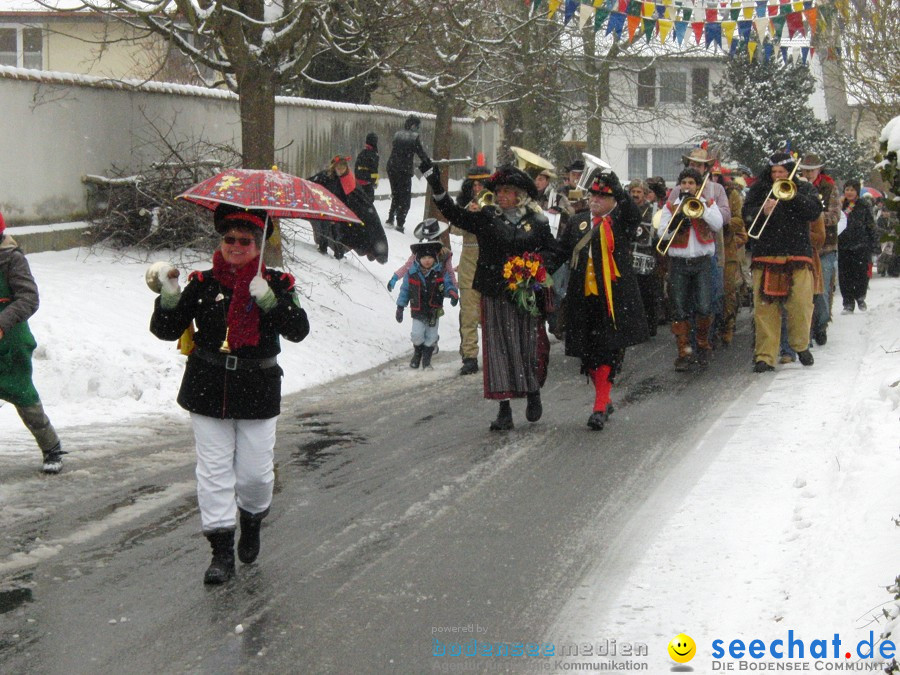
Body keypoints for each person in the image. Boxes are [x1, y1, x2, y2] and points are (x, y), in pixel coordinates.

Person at [149, 205, 310, 585]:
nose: (235, 246)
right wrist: (170, 296)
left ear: (258, 244)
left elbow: (299, 330)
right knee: (214, 472)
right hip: (207, 387)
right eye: (229, 239)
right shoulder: (203, 283)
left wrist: (270, 300)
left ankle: (252, 518)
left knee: (254, 474)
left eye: (245, 240)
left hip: (257, 389)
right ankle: (221, 550)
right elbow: (167, 330)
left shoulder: (279, 282)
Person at [421, 160, 560, 430]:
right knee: (498, 350)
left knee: (528, 346)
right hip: (495, 292)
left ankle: (533, 393)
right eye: (498, 191)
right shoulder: (487, 218)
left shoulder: (537, 222)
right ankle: (504, 408)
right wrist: (435, 183)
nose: (501, 196)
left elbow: (553, 252)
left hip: (526, 294)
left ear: (520, 194)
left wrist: (535, 266)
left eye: (507, 191)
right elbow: (452, 213)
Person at [559, 173, 649, 430]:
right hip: (582, 299)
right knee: (587, 353)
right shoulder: (577, 222)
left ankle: (599, 406)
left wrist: (620, 192)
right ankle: (605, 397)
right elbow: (560, 252)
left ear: (613, 200)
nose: (595, 200)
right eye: (594, 195)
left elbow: (633, 214)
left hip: (613, 299)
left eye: (602, 196)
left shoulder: (620, 220)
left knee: (607, 350)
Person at [741, 152, 823, 372]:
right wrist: (761, 210)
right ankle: (765, 356)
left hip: (797, 254)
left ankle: (801, 345)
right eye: (774, 172)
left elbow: (815, 211)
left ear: (790, 173)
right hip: (766, 254)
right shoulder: (759, 189)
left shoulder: (804, 188)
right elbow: (746, 215)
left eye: (781, 172)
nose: (777, 176)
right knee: (765, 309)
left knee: (801, 304)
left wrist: (792, 196)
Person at [0, 211, 65, 474]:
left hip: (11, 342)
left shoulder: (12, 259)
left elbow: (29, 298)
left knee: (25, 399)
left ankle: (52, 448)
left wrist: (2, 323)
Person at [657, 167, 724, 370]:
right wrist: (677, 221)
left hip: (702, 262)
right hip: (679, 263)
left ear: (697, 186)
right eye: (684, 183)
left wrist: (701, 209)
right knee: (679, 309)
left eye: (691, 183)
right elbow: (662, 235)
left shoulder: (707, 203)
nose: (687, 186)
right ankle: (683, 352)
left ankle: (702, 345)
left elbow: (718, 224)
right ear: (679, 185)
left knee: (704, 306)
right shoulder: (671, 206)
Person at [450, 166, 491, 375]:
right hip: (468, 268)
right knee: (468, 315)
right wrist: (468, 214)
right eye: (474, 184)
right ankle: (470, 357)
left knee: (492, 313)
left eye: (481, 183)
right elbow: (454, 229)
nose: (477, 187)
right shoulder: (465, 206)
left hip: (491, 265)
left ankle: (494, 353)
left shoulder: (497, 205)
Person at [395, 239, 459, 369]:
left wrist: (452, 293)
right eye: (423, 257)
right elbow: (405, 290)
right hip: (418, 310)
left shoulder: (440, 273)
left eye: (430, 257)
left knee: (431, 336)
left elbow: (448, 284)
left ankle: (427, 360)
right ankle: (417, 352)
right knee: (417, 334)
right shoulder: (412, 273)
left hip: (433, 311)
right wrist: (400, 307)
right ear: (418, 259)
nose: (427, 260)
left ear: (435, 258)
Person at [798, 153, 841, 344]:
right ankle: (805, 330)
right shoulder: (797, 187)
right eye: (805, 170)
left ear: (819, 170)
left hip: (826, 247)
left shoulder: (829, 187)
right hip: (802, 245)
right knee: (804, 292)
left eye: (812, 170)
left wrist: (814, 215)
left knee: (822, 292)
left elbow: (835, 215)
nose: (808, 174)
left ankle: (821, 324)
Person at [711, 166, 748, 347]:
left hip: (726, 249)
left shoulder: (731, 194)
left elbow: (739, 220)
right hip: (705, 247)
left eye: (717, 176)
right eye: (711, 175)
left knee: (727, 290)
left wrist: (720, 222)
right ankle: (709, 328)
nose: (714, 179)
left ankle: (727, 324)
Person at [838, 179, 878, 314]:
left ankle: (860, 296)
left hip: (861, 245)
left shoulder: (864, 205)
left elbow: (871, 225)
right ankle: (848, 302)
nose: (849, 192)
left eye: (852, 190)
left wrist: (874, 243)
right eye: (847, 189)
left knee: (861, 274)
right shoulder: (839, 205)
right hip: (843, 245)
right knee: (845, 275)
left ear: (857, 191)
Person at [626, 179, 660, 337]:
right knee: (631, 292)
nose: (635, 194)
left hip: (646, 255)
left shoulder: (653, 210)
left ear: (645, 194)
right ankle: (633, 325)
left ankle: (649, 326)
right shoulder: (625, 209)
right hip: (629, 255)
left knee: (647, 292)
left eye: (638, 192)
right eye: (633, 191)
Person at [386, 115, 430, 233]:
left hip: (391, 167)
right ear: (413, 126)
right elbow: (421, 153)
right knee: (405, 199)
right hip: (403, 170)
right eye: (418, 126)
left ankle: (390, 218)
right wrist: (428, 162)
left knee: (396, 194)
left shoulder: (397, 134)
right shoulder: (413, 137)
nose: (418, 129)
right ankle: (400, 223)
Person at [309, 155, 356, 259]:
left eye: (343, 168)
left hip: (340, 209)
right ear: (334, 167)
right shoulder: (326, 175)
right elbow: (312, 181)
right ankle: (322, 249)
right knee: (324, 228)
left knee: (338, 232)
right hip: (325, 206)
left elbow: (349, 194)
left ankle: (339, 255)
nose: (341, 171)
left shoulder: (347, 178)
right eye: (338, 168)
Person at [354, 132, 380, 203]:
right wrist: (375, 181)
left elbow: (356, 169)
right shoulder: (374, 154)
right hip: (367, 184)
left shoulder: (361, 153)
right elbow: (374, 171)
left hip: (358, 184)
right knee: (368, 204)